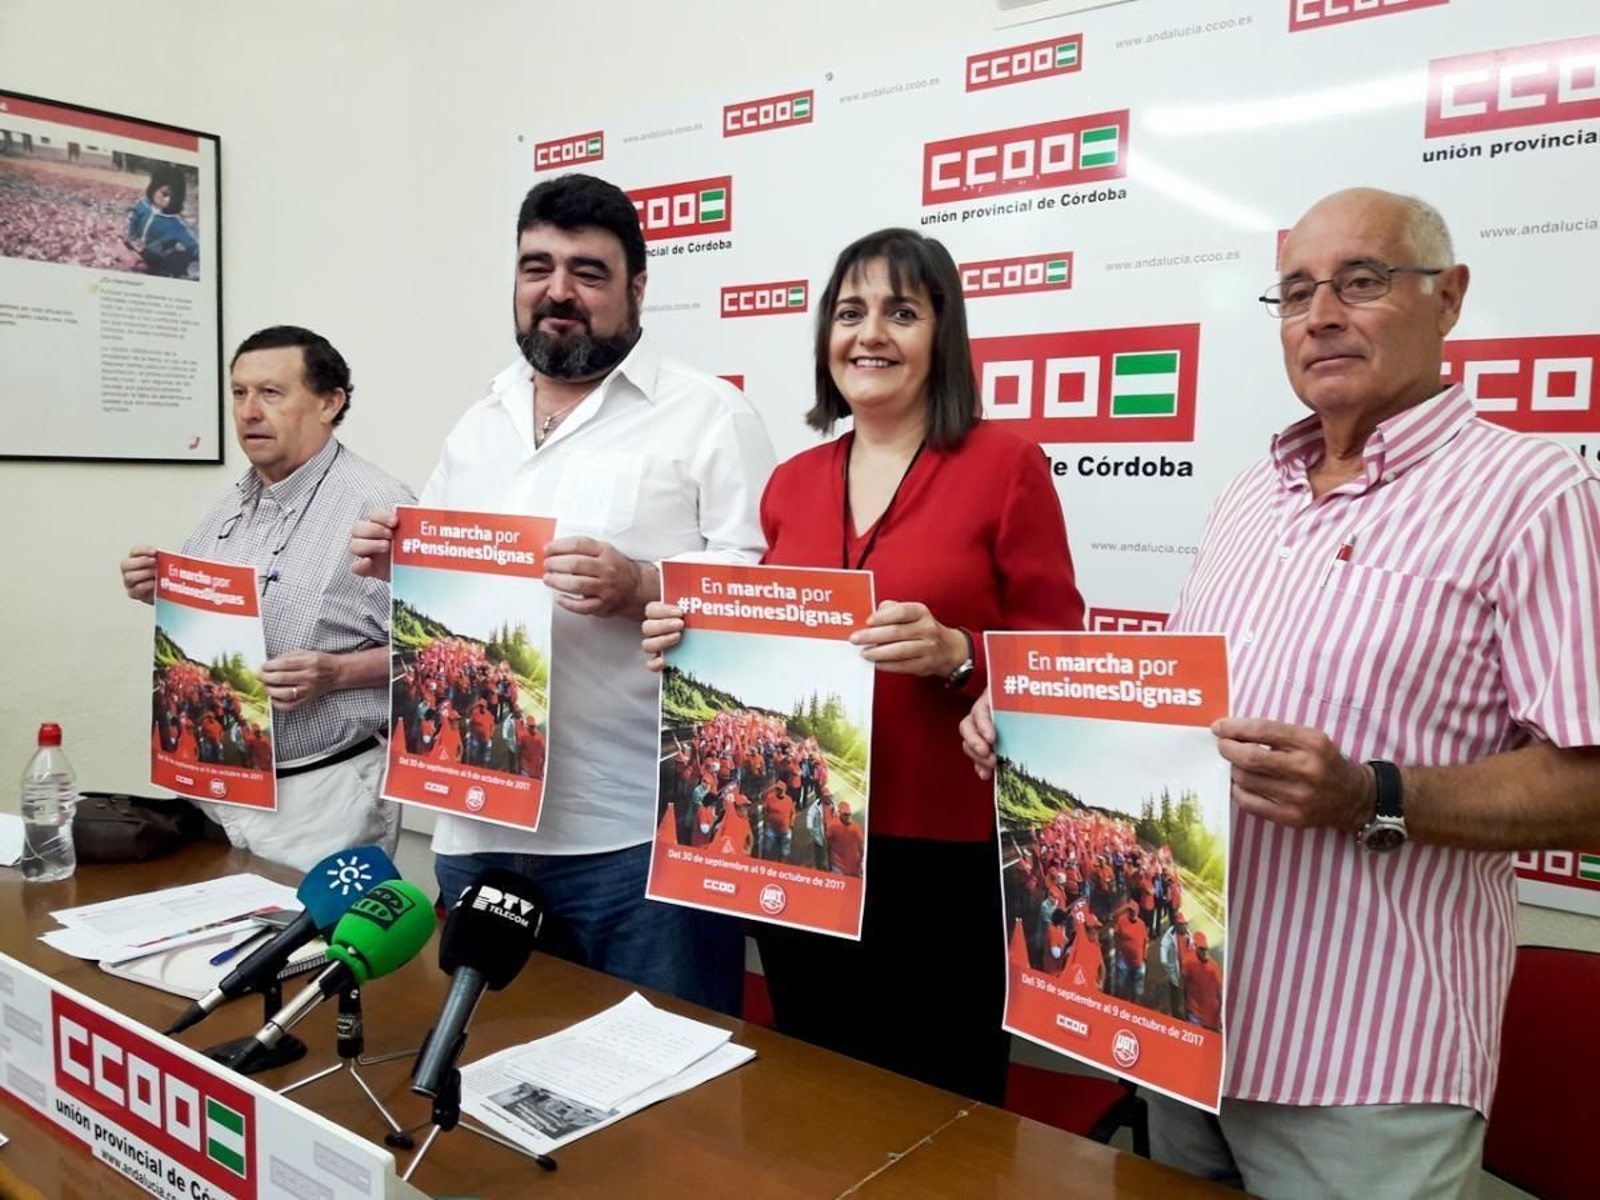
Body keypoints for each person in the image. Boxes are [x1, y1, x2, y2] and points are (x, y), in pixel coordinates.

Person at [961, 188, 1600, 1197]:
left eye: (1361, 282)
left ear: (1449, 298)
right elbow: (1162, 721)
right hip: (1185, 1026)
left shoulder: (1531, 495)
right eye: (1296, 291)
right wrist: (1037, 725)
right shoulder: (1246, 497)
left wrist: (1375, 795)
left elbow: (1591, 783)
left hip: (1366, 1061)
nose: (1321, 314)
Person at [643, 228, 1084, 1103]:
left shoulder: (1006, 467)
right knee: (813, 1085)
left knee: (939, 1101)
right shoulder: (793, 482)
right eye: (850, 313)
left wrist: (960, 656)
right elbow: (768, 643)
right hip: (803, 844)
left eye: (901, 312)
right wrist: (688, 639)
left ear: (942, 336)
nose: (869, 333)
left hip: (947, 858)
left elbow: (1059, 659)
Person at [348, 173, 773, 1016]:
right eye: (537, 266)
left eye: (588, 271)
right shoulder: (481, 420)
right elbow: (448, 587)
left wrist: (643, 586)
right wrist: (397, 558)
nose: (558, 291)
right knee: (497, 1075)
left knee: (664, 1103)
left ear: (637, 289)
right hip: (475, 819)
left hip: (636, 839)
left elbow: (769, 606)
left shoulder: (708, 415)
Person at [120, 326, 411, 871]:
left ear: (330, 402)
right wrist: (162, 591)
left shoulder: (379, 507)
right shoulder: (231, 504)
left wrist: (338, 673)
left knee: (310, 954)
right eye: (239, 393)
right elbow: (216, 623)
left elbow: (438, 650)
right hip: (219, 781)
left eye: (271, 393)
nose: (249, 411)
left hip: (320, 794)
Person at [123, 166, 198, 278]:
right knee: (117, 249)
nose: (168, 200)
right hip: (134, 246)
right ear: (154, 187)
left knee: (136, 265)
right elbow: (132, 220)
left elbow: (194, 245)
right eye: (165, 194)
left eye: (174, 197)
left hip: (154, 260)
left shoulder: (175, 223)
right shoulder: (143, 205)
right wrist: (131, 236)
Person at [1181, 931, 1222, 1032]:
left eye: (1206, 949)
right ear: (1195, 947)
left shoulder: (1214, 967)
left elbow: (1220, 993)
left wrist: (1219, 1014)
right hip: (1195, 1016)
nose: (1204, 952)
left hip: (1211, 1018)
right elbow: (1183, 985)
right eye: (1201, 949)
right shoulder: (1188, 962)